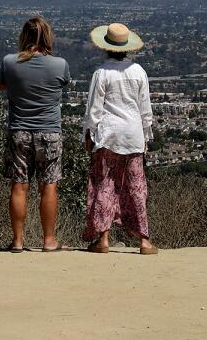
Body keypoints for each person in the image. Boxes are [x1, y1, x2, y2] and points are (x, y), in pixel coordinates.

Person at [0, 15, 71, 252]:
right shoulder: (59, 64)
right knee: (49, 186)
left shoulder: (9, 62)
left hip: (19, 131)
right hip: (49, 132)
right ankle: (49, 241)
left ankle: (18, 241)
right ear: (47, 37)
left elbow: (1, 85)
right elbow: (63, 84)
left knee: (19, 186)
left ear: (23, 37)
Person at [81, 22, 158, 254]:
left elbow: (94, 109)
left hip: (109, 135)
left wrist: (88, 133)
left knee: (105, 185)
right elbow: (146, 109)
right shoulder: (138, 72)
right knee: (136, 187)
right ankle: (144, 240)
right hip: (133, 135)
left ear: (106, 47)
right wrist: (146, 136)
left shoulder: (101, 73)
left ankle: (103, 238)